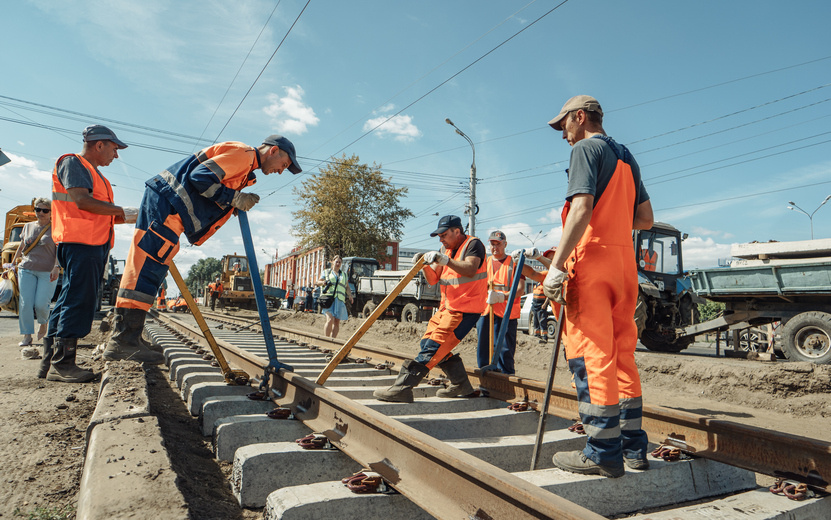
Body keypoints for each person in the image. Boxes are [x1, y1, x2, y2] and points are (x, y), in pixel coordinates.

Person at [105, 135, 301, 363]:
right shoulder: (244, 155)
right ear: (273, 151)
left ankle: (130, 338)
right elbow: (200, 178)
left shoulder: (245, 165)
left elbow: (209, 185)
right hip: (168, 206)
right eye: (284, 165)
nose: (280, 171)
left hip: (168, 207)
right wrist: (234, 198)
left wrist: (230, 202)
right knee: (144, 269)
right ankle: (123, 341)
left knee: (148, 270)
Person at [544, 95, 654, 478]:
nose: (564, 136)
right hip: (626, 268)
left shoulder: (585, 149)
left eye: (564, 127)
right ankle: (633, 448)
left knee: (593, 358)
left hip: (592, 264)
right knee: (623, 355)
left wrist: (556, 266)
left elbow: (581, 208)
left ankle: (602, 452)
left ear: (580, 117)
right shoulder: (626, 156)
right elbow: (645, 218)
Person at [46, 125, 135, 383]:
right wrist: (120, 210)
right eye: (114, 149)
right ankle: (63, 364)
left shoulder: (96, 175)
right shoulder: (74, 163)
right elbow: (82, 202)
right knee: (78, 300)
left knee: (67, 300)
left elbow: (97, 212)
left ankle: (50, 362)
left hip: (89, 243)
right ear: (99, 145)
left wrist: (125, 216)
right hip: (81, 243)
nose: (116, 156)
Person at [374, 215, 486, 403]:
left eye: (443, 235)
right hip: (447, 308)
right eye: (439, 236)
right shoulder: (445, 249)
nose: (440, 239)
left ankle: (403, 388)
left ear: (456, 231)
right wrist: (423, 265)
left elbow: (470, 269)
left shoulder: (474, 245)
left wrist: (445, 261)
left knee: (433, 348)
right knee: (427, 343)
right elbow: (433, 279)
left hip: (465, 309)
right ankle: (461, 385)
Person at [475, 230, 545, 375]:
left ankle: (506, 378)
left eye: (498, 244)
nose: (495, 247)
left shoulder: (514, 263)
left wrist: (502, 297)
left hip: (507, 314)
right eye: (492, 244)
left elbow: (520, 289)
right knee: (484, 348)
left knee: (504, 350)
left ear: (505, 244)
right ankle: (485, 379)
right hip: (486, 311)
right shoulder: (485, 263)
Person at [11, 198, 60, 354]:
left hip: (47, 271)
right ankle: (27, 336)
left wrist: (57, 267)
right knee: (25, 303)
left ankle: (43, 322)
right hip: (26, 269)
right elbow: (22, 246)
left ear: (51, 212)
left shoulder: (56, 228)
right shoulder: (28, 226)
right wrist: (13, 263)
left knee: (41, 304)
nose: (41, 213)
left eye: (45, 210)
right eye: (38, 210)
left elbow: (60, 249)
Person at [315, 255, 354, 338]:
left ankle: (332, 341)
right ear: (333, 262)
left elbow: (347, 287)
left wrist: (350, 295)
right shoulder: (326, 272)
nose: (338, 263)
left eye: (340, 262)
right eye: (336, 261)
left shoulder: (344, 274)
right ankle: (326, 340)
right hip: (328, 299)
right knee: (329, 320)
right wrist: (324, 282)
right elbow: (317, 282)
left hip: (339, 300)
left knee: (336, 322)